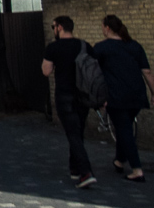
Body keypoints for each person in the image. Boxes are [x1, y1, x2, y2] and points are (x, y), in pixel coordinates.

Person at [93, 15, 154, 183]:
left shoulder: (101, 48)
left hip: (116, 95)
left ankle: (137, 169)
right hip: (137, 94)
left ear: (107, 28)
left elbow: (95, 74)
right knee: (124, 127)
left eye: (102, 27)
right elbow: (147, 72)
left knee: (124, 130)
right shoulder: (135, 46)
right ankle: (119, 161)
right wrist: (153, 92)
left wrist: (97, 97)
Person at [41, 16, 97, 188]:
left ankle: (86, 172)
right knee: (77, 131)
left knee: (72, 133)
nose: (53, 30)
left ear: (59, 27)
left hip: (64, 95)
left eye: (53, 27)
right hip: (83, 95)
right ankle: (74, 169)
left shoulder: (53, 47)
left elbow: (46, 71)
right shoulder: (84, 45)